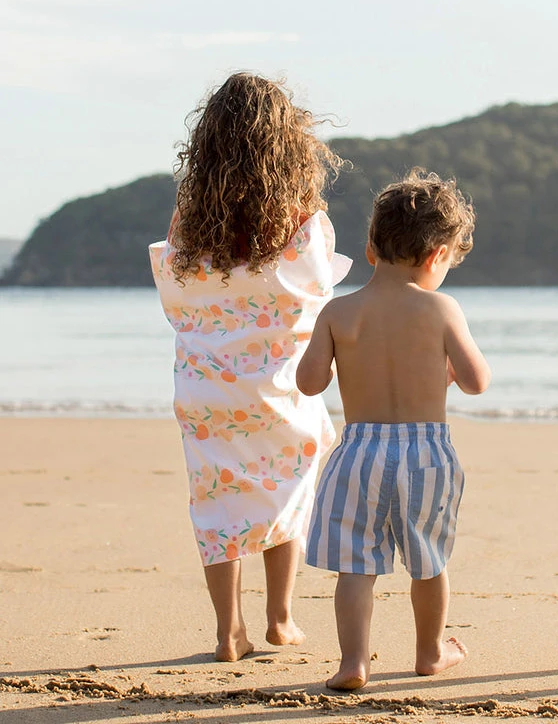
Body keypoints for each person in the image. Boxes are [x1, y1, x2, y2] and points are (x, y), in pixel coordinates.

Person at [149, 72, 350, 661]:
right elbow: (316, 292)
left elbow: (175, 297)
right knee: (285, 487)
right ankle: (280, 618)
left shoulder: (189, 219)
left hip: (206, 386)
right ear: (288, 143)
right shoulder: (299, 216)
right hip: (279, 385)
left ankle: (227, 630)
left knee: (217, 497)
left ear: (207, 143)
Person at [298, 170, 491, 690]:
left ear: (368, 249)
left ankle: (353, 663)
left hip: (359, 451)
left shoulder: (340, 312)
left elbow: (309, 382)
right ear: (438, 258)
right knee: (428, 558)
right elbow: (476, 381)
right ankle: (430, 651)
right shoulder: (441, 308)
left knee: (356, 563)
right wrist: (445, 371)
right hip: (426, 453)